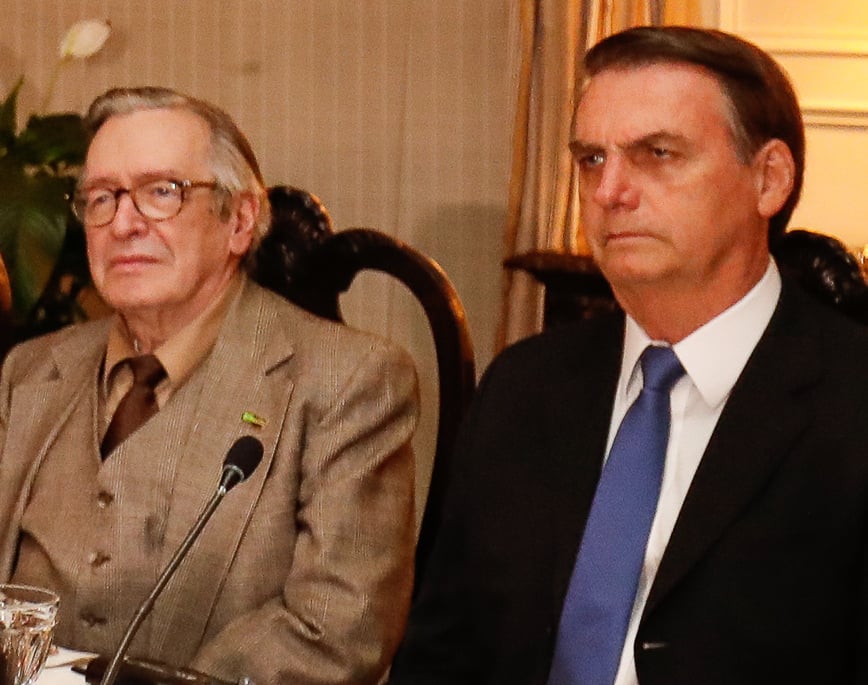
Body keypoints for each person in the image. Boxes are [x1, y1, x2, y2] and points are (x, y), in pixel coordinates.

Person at [389, 26, 868, 685]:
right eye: (591, 159)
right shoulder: (523, 387)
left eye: (658, 153)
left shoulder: (849, 403)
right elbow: (440, 657)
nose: (609, 190)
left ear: (769, 179)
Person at [0, 87, 419, 685]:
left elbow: (337, 634)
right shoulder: (29, 373)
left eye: (161, 192)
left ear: (240, 220)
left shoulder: (349, 381)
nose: (123, 222)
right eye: (101, 198)